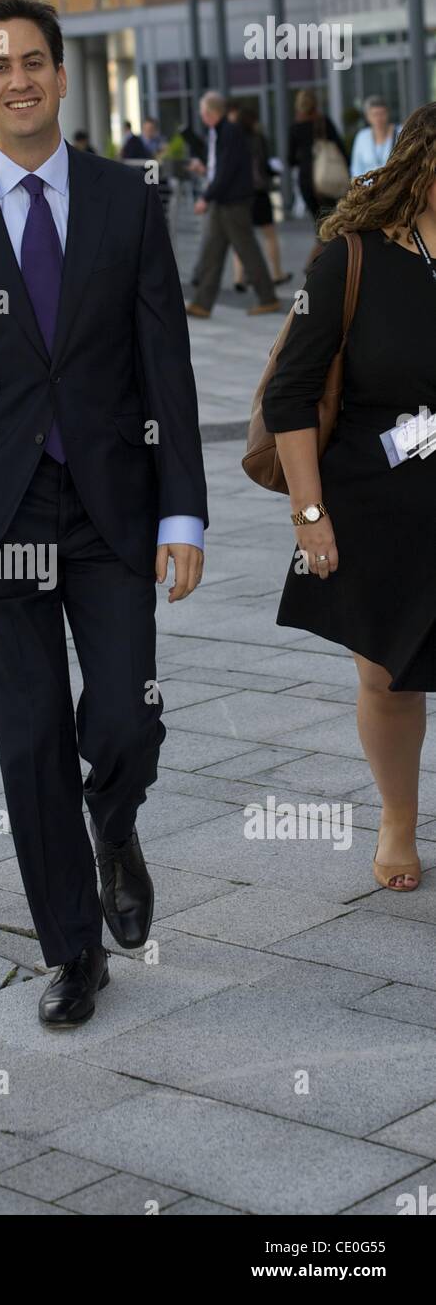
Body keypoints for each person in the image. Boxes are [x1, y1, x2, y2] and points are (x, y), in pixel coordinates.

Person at [0, 0, 207, 1028]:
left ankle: (112, 825)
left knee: (123, 715)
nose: (16, 77)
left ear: (60, 77)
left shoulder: (125, 200)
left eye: (31, 59)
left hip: (110, 504)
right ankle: (70, 950)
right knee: (27, 739)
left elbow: (168, 367)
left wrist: (182, 515)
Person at [262, 101, 435, 894]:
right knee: (387, 678)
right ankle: (398, 819)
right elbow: (294, 394)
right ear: (424, 166)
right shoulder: (352, 256)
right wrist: (309, 514)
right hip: (381, 505)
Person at [185, 91, 279, 319]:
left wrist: (205, 197)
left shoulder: (229, 133)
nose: (200, 114)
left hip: (233, 203)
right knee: (211, 252)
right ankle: (202, 304)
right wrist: (205, 172)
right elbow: (220, 168)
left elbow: (226, 172)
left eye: (202, 110)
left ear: (209, 112)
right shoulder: (219, 133)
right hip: (223, 201)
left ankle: (268, 298)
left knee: (247, 251)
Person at [231, 105, 291, 289]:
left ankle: (239, 278)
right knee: (269, 235)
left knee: (240, 238)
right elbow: (265, 166)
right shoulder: (258, 139)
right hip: (259, 193)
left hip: (240, 195)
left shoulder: (233, 140)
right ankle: (276, 273)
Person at [289, 89, 350, 227]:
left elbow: (290, 159)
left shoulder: (295, 127)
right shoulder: (323, 122)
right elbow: (341, 149)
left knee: (319, 223)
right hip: (328, 179)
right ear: (315, 104)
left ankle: (324, 245)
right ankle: (332, 246)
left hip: (307, 180)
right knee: (333, 221)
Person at [350, 96, 401, 179]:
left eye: (382, 114)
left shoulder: (399, 132)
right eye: (375, 114)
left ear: (388, 114)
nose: (379, 118)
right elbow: (356, 168)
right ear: (368, 117)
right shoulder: (362, 137)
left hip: (393, 186)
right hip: (368, 188)